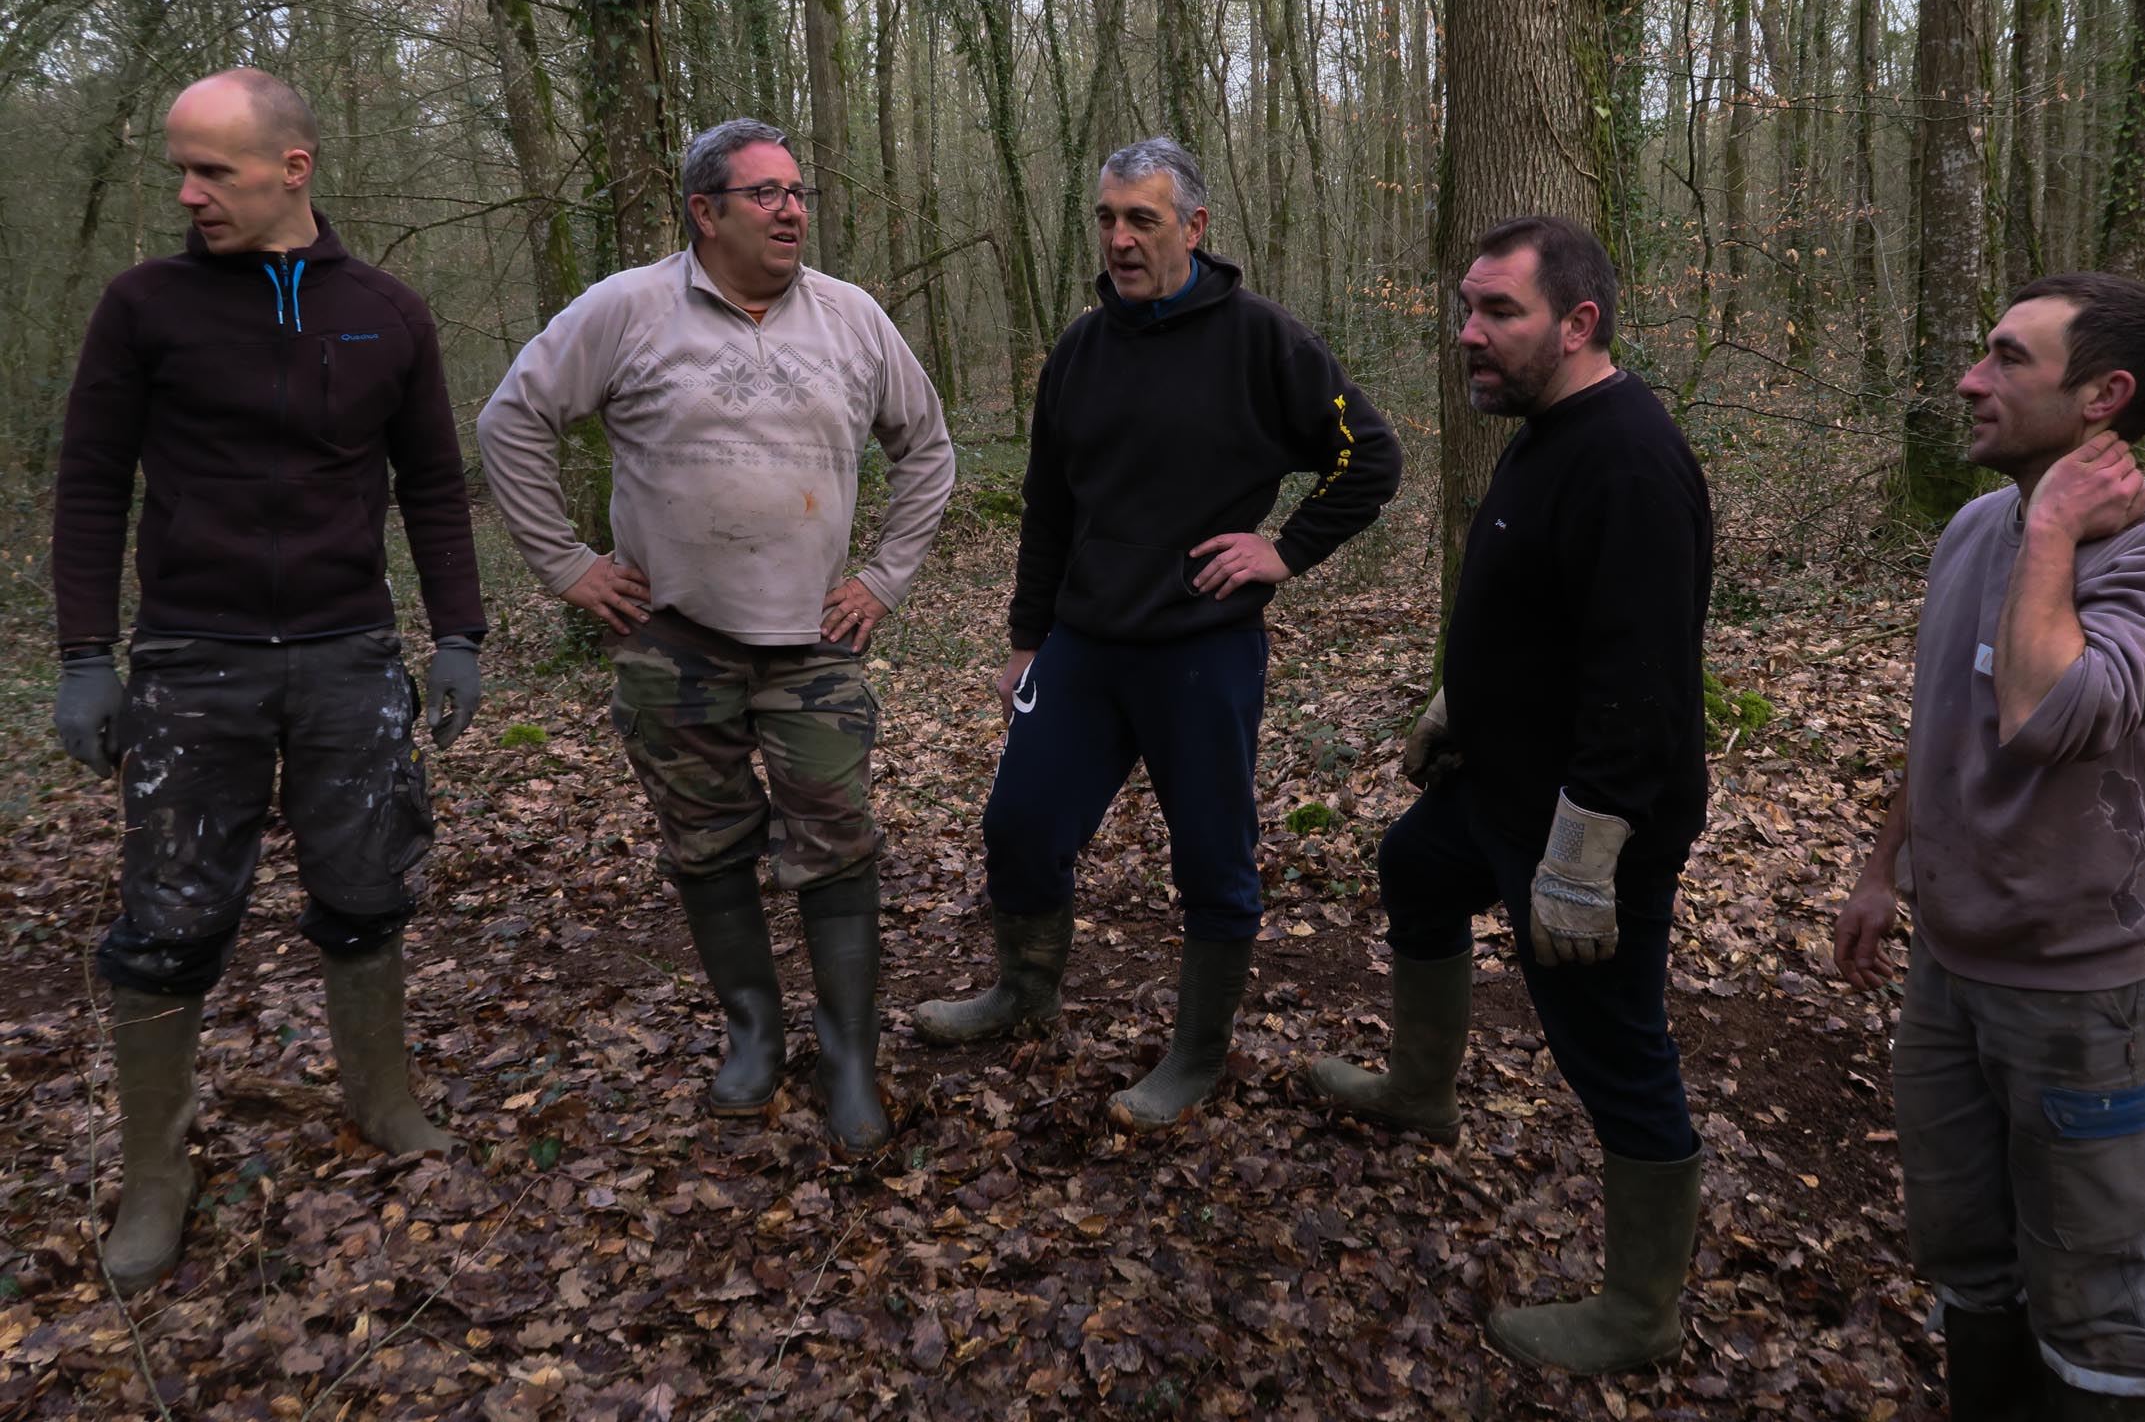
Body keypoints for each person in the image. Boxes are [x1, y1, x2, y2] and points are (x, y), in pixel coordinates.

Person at [52, 68, 486, 1291]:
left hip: (351, 656)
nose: (189, 195)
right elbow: (90, 487)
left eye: (213, 172)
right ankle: (156, 1174)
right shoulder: (144, 309)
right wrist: (87, 659)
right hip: (193, 659)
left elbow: (434, 485)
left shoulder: (387, 313)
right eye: (180, 172)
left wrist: (459, 632)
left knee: (366, 889)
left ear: (292, 169)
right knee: (170, 920)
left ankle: (385, 1102)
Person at [476, 118, 953, 1152]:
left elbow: (929, 447)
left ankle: (850, 1055)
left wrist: (884, 575)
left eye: (796, 192)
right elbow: (510, 420)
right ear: (706, 210)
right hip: (674, 639)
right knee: (707, 841)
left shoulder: (853, 319)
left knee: (836, 841)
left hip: (817, 642)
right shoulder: (626, 310)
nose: (791, 210)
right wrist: (568, 564)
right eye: (765, 194)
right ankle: (751, 1030)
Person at [913, 137, 1401, 1132]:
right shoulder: (1081, 352)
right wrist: (1025, 637)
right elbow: (1049, 508)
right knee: (1021, 826)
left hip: (1201, 651)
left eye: (1142, 217)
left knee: (1213, 857)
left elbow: (1372, 457)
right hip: (1085, 648)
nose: (1121, 237)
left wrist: (1285, 552)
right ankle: (1024, 989)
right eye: (1106, 218)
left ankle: (1195, 1053)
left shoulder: (1265, 342)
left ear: (1194, 225)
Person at [1833, 273, 2145, 1420]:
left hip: (2089, 1001)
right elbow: (1942, 726)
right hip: (1949, 974)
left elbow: (2046, 715)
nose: (1972, 379)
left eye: (2009, 359)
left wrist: (2059, 527)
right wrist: (1884, 871)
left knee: (2098, 1307)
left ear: (2103, 397)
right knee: (1969, 1263)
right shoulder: (1976, 526)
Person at [1305, 215, 1712, 1374]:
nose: (1465, 335)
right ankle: (1421, 1090)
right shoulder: (1547, 428)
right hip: (1501, 789)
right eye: (1466, 309)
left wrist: (1584, 860)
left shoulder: (1628, 461)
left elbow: (1641, 681)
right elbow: (1541, 609)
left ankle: (1641, 1309)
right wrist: (1458, 708)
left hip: (1584, 826)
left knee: (1613, 1046)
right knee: (1413, 867)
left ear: (1578, 323)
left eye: (1498, 313)